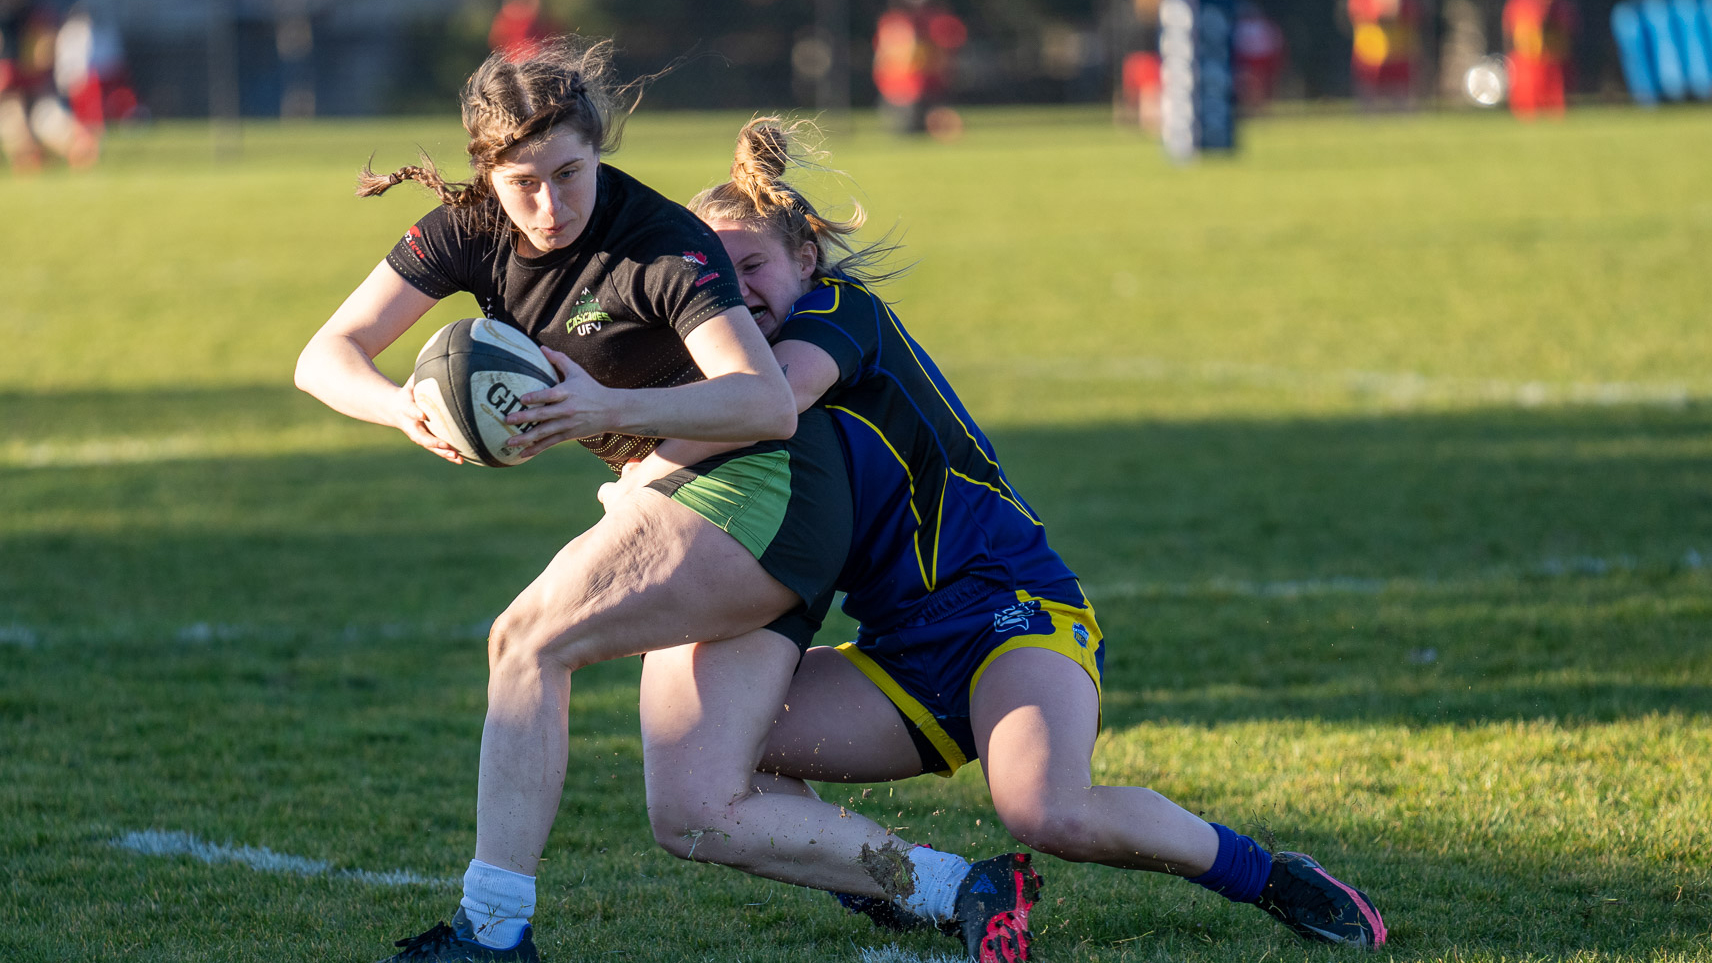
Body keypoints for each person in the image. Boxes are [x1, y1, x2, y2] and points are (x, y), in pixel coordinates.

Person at [615, 118, 1389, 961]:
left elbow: (781, 396)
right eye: (717, 279)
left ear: (805, 259)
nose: (741, 291)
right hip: (900, 654)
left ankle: (1268, 874)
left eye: (753, 265)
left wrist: (618, 441)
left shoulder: (841, 315)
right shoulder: (728, 389)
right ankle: (911, 884)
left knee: (1046, 810)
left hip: (1009, 612)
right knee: (719, 748)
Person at [296, 39, 928, 963]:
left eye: (570, 173)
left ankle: (492, 931)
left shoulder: (659, 240)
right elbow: (325, 356)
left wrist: (606, 407)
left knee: (525, 641)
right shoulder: (468, 229)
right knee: (696, 809)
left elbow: (761, 403)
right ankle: (954, 887)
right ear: (486, 174)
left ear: (599, 150)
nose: (550, 205)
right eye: (523, 182)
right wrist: (403, 410)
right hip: (689, 493)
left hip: (759, 485)